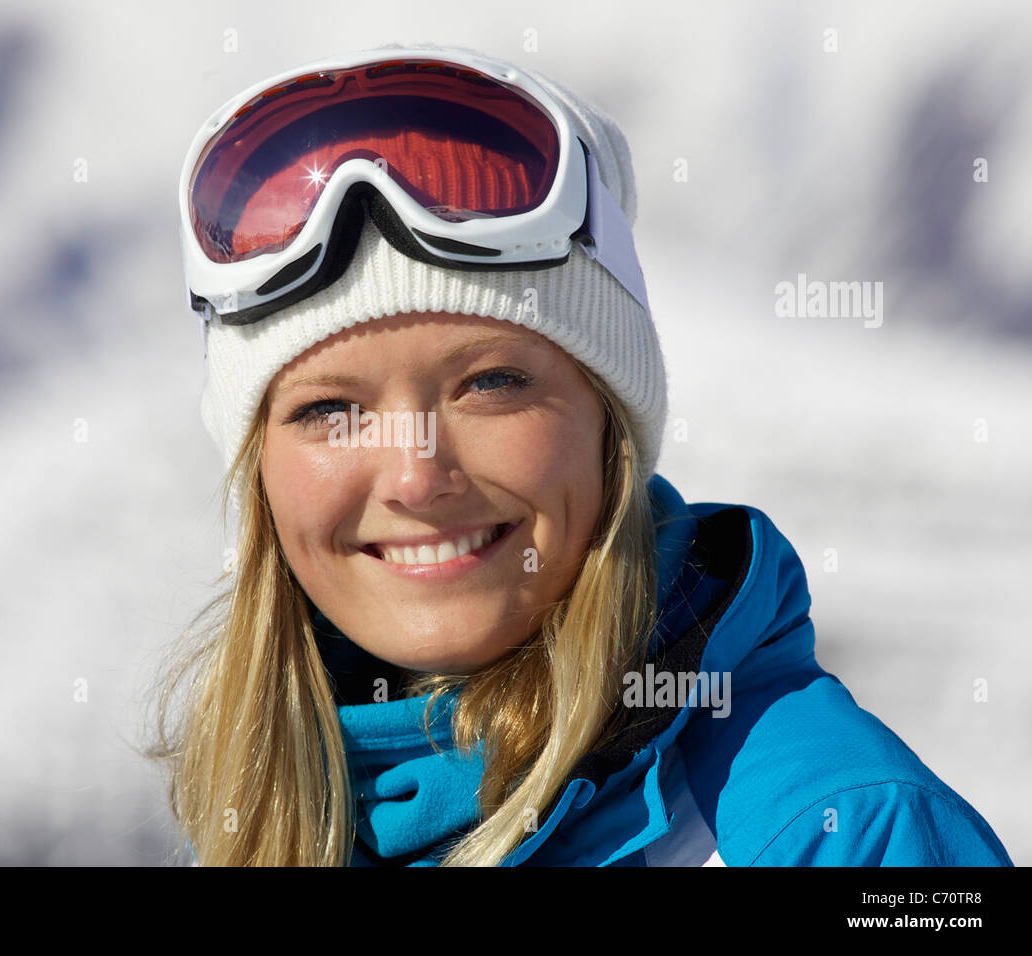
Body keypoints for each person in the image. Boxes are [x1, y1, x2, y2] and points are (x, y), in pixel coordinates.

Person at [153, 41, 1014, 867]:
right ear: (258, 466)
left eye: (489, 384)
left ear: (609, 421)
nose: (414, 475)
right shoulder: (265, 822)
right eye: (331, 409)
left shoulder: (846, 835)